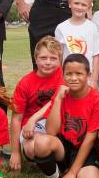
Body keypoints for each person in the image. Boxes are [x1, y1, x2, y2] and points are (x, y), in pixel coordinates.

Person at [33, 54, 99, 178]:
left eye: (79, 74)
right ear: (63, 75)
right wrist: (58, 99)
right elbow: (51, 132)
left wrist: (73, 172)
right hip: (64, 147)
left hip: (85, 150)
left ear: (88, 75)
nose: (73, 78)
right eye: (69, 74)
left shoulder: (97, 100)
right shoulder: (60, 94)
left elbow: (90, 140)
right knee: (41, 142)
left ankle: (77, 173)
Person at [9, 36, 64, 171]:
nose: (48, 62)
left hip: (57, 121)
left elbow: (56, 100)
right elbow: (16, 119)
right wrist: (15, 152)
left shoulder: (63, 75)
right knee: (31, 149)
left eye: (53, 58)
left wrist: (34, 118)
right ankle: (48, 158)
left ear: (60, 60)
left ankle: (61, 160)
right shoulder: (25, 83)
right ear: (35, 58)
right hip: (32, 128)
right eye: (43, 58)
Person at [54, 0, 99, 89]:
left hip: (87, 78)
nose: (79, 7)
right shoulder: (61, 28)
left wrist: (94, 79)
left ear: (89, 7)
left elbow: (96, 55)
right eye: (76, 3)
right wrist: (60, 79)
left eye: (84, 5)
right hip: (69, 78)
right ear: (70, 3)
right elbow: (59, 57)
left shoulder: (93, 27)